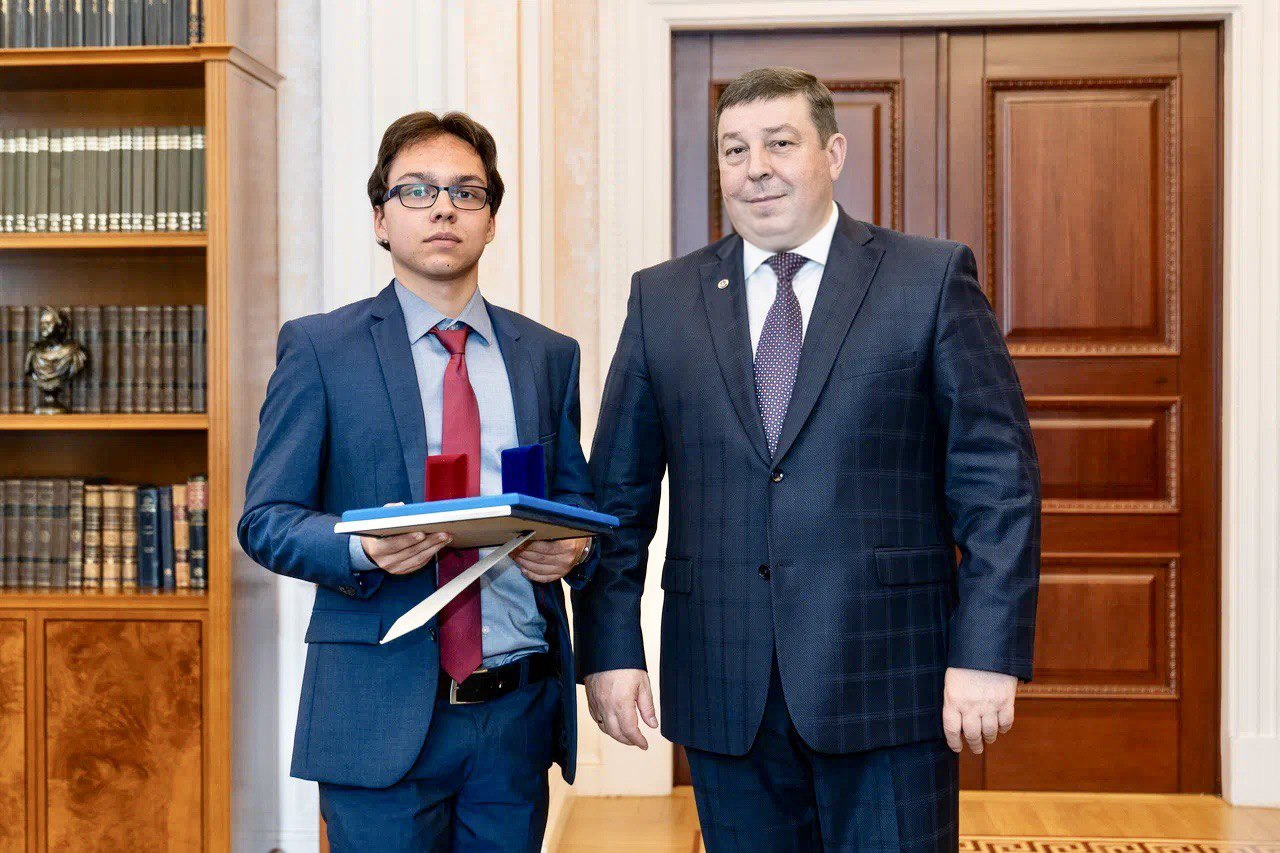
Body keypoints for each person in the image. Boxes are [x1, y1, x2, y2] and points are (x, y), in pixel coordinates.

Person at [575, 67, 1040, 851]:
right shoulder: (663, 299)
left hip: (891, 680)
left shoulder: (929, 279)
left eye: (780, 144)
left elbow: (999, 487)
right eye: (734, 150)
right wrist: (611, 647)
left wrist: (987, 652)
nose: (755, 168)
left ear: (834, 152)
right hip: (725, 686)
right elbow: (617, 497)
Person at [238, 110, 596, 853]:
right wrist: (360, 547)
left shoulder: (546, 355)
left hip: (515, 715)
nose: (443, 208)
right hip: (377, 711)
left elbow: (576, 502)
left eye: (467, 192)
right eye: (417, 191)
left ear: (490, 220)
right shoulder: (321, 348)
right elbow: (266, 519)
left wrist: (572, 548)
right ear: (381, 218)